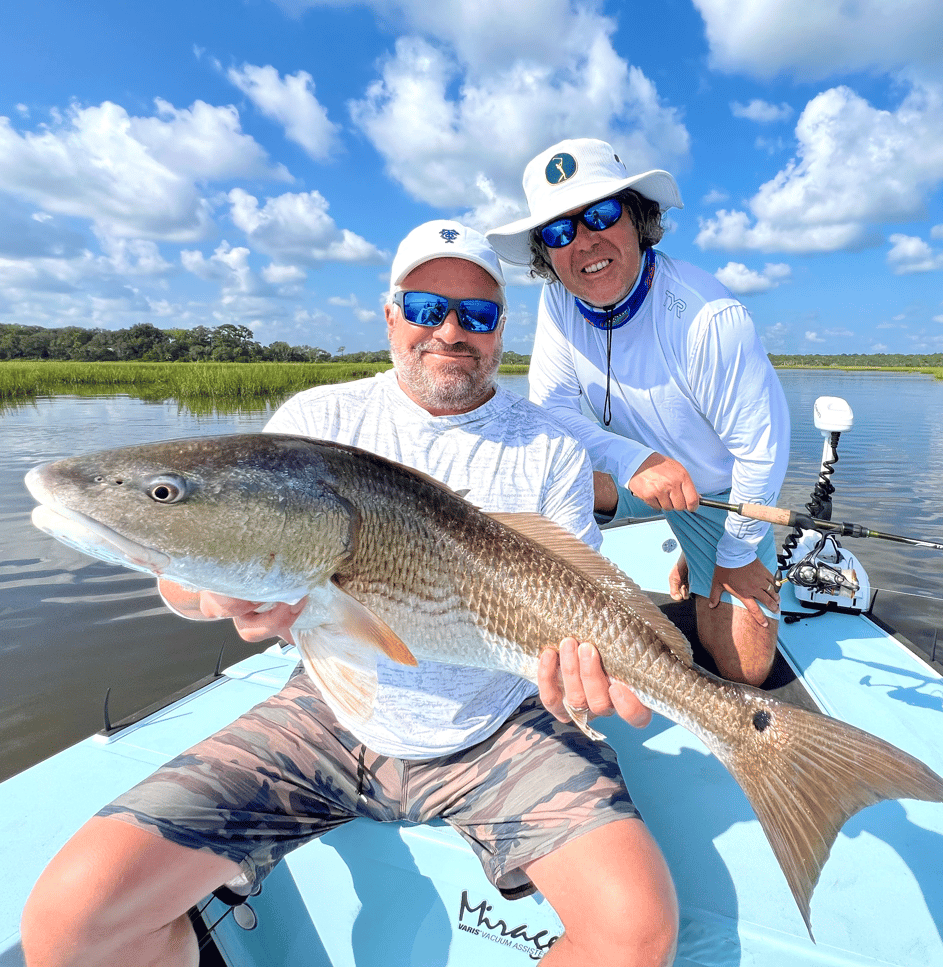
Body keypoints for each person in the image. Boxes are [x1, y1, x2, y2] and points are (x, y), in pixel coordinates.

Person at [21, 221, 678, 967]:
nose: (451, 330)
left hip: (498, 719)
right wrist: (219, 600)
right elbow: (192, 568)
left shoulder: (552, 447)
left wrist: (580, 675)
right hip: (324, 715)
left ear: (502, 331)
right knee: (73, 922)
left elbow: (576, 596)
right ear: (391, 313)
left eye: (479, 313)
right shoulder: (317, 419)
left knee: (636, 934)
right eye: (427, 307)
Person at [488, 138, 790, 688]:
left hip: (721, 497)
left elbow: (762, 451)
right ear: (545, 254)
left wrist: (734, 551)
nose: (584, 243)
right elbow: (550, 410)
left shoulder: (708, 318)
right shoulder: (558, 301)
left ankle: (701, 554)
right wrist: (633, 459)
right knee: (532, 472)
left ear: (639, 216)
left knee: (746, 670)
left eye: (601, 214)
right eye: (559, 232)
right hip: (638, 477)